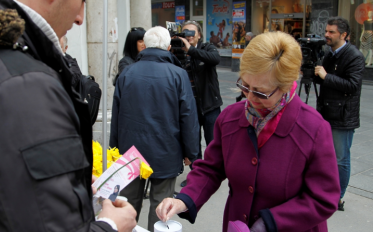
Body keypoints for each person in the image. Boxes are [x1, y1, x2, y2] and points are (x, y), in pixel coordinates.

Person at [0, 0, 137, 232]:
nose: (80, 17)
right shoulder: (24, 84)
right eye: (82, 1)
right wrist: (111, 226)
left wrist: (68, 183)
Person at [156, 31, 340, 232]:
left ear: (285, 85)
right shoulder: (231, 118)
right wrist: (185, 198)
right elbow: (211, 168)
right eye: (245, 85)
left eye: (261, 92)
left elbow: (323, 199)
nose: (250, 97)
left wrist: (271, 222)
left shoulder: (313, 129)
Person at [109, 26, 199, 231]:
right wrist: (191, 153)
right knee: (161, 207)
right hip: (166, 150)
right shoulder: (178, 74)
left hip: (130, 152)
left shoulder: (127, 73)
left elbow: (116, 116)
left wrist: (114, 149)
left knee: (127, 203)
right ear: (168, 47)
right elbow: (188, 117)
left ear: (145, 46)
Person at [314, 16, 365, 212]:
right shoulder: (330, 53)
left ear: (343, 35)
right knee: (324, 156)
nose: (326, 34)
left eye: (331, 32)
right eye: (326, 31)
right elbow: (325, 81)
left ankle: (338, 197)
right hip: (326, 111)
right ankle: (324, 190)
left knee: (340, 158)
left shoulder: (354, 56)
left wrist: (326, 76)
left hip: (343, 117)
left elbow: (353, 86)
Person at [177, 20, 222, 187]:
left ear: (199, 35)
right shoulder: (179, 53)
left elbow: (215, 59)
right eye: (185, 33)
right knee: (193, 144)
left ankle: (212, 176)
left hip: (210, 106)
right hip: (190, 108)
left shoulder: (207, 48)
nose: (188, 36)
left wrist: (192, 51)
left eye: (191, 33)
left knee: (212, 143)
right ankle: (196, 176)